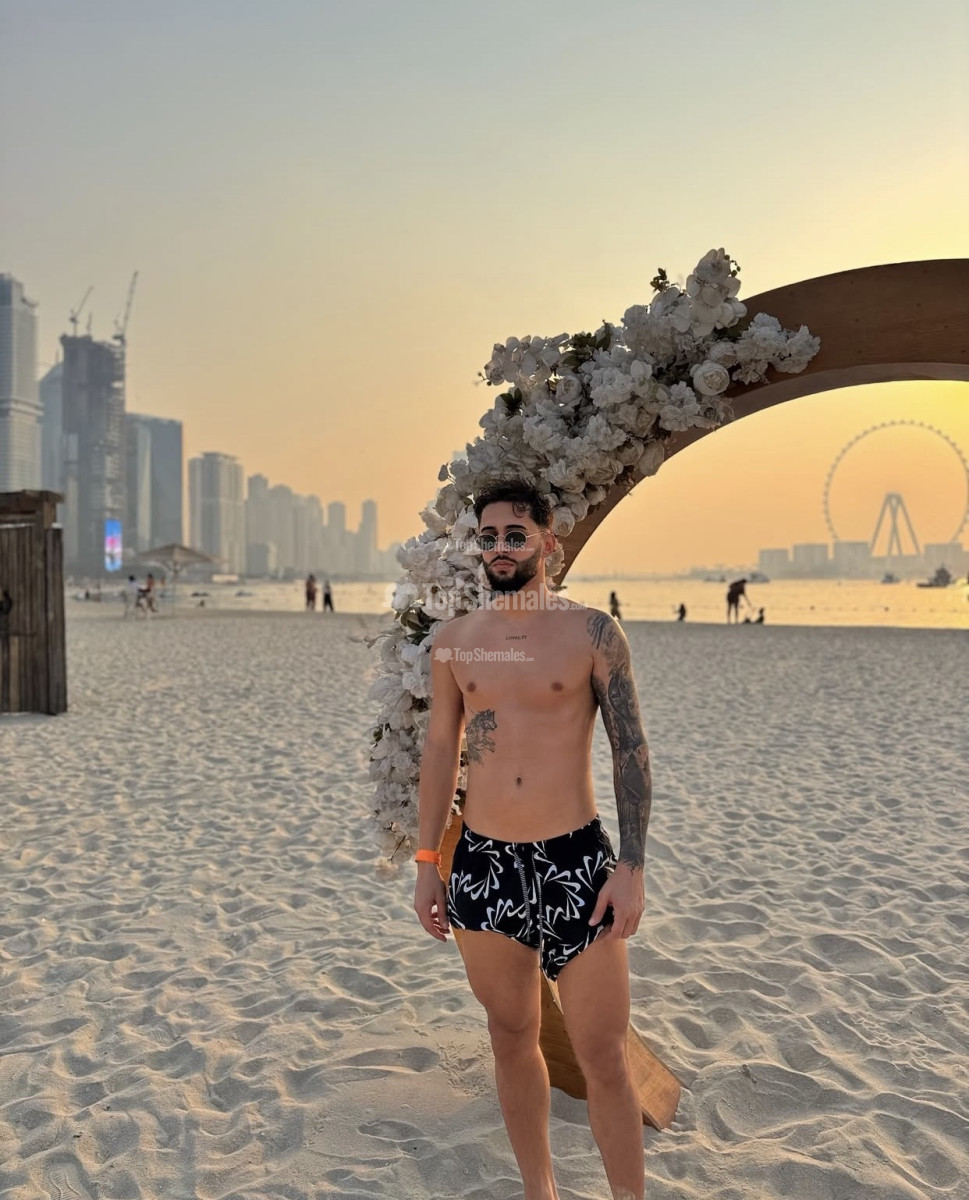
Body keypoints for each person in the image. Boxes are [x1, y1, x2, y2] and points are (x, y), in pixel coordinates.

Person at [414, 478, 651, 1200]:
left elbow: (630, 750)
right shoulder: (454, 643)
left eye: (514, 535)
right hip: (483, 865)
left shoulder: (593, 634)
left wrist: (631, 867)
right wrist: (427, 863)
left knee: (603, 1054)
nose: (500, 548)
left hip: (575, 862)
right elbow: (440, 751)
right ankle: (538, 1192)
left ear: (548, 542)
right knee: (511, 1037)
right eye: (488, 537)